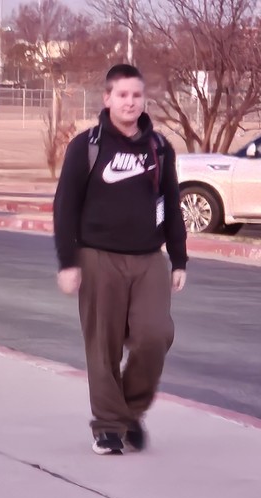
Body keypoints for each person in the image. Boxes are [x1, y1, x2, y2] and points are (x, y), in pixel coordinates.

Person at [52, 64, 187, 456]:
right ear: (108, 99)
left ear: (144, 100)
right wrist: (68, 261)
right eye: (122, 95)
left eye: (137, 95)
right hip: (98, 257)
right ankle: (108, 426)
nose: (130, 102)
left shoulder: (159, 147)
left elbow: (170, 205)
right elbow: (65, 207)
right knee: (103, 346)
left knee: (155, 335)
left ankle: (130, 412)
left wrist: (178, 259)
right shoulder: (87, 145)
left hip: (148, 259)